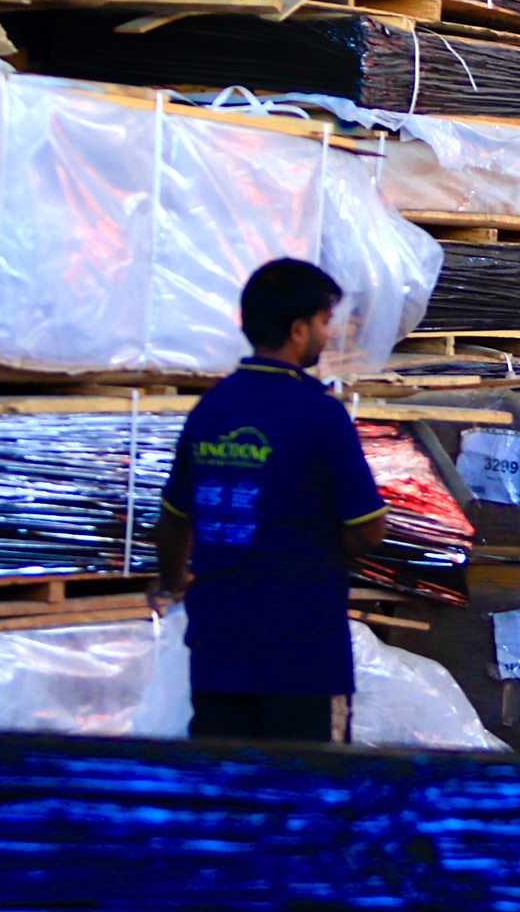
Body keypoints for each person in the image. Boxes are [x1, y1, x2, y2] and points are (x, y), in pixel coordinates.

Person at [153, 258, 388, 744]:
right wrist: (317, 551)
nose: (328, 334)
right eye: (324, 321)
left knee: (224, 781)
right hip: (300, 649)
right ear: (298, 330)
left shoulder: (211, 408)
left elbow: (174, 519)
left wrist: (173, 580)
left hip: (219, 644)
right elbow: (368, 526)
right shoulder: (320, 415)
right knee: (305, 782)